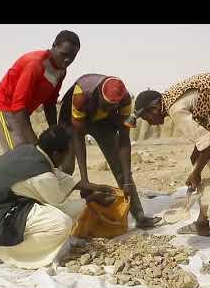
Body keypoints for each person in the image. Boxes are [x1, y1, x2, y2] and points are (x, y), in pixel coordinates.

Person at [132, 72, 210, 275]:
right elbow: (203, 138)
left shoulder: (174, 109)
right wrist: (197, 164)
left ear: (156, 107)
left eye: (147, 117)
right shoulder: (171, 99)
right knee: (203, 162)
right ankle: (202, 222)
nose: (148, 122)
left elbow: (207, 145)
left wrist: (195, 173)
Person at [0, 125, 112, 269]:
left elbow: (55, 175)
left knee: (45, 211)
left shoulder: (30, 151)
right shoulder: (42, 176)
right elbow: (63, 208)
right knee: (60, 223)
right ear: (56, 154)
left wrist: (93, 187)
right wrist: (92, 199)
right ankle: (0, 250)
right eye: (67, 153)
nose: (67, 158)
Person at [58, 74, 161, 229]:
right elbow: (78, 137)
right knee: (65, 169)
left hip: (103, 123)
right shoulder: (81, 95)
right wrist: (85, 181)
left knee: (120, 167)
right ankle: (57, 220)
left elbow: (124, 139)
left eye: (114, 106)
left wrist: (126, 180)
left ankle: (139, 217)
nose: (111, 108)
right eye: (107, 105)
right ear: (99, 93)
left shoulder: (125, 100)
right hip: (72, 122)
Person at [0, 30, 80, 152]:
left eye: (72, 57)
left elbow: (50, 103)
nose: (67, 60)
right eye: (63, 54)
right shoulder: (35, 64)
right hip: (5, 109)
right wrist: (35, 144)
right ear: (54, 46)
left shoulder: (61, 71)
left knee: (30, 153)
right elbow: (18, 106)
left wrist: (55, 131)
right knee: (17, 154)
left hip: (21, 112)